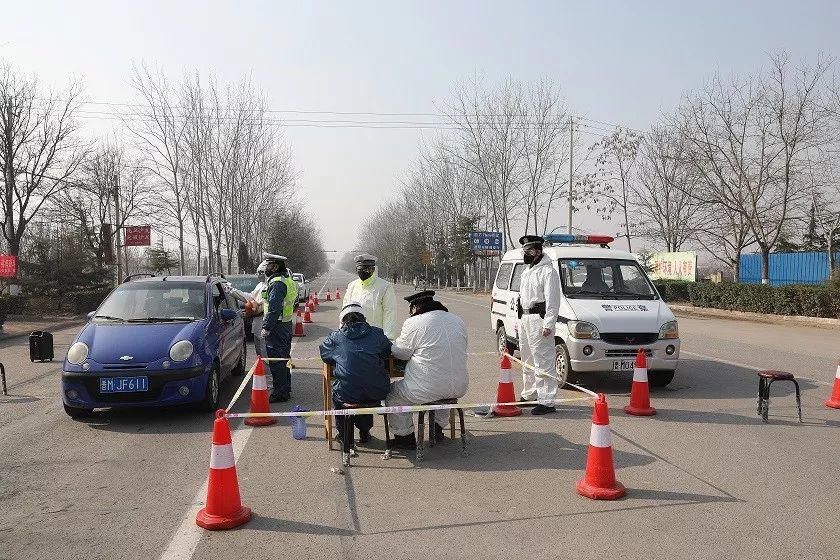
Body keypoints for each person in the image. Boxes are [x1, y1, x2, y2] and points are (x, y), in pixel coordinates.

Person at [386, 291, 468, 449]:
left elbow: (401, 353)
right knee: (443, 392)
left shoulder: (414, 323)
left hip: (428, 389)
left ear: (415, 307)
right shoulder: (457, 320)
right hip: (459, 386)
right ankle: (436, 430)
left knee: (393, 395)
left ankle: (405, 439)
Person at [319, 302, 392, 451]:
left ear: (342, 321)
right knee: (366, 388)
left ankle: (346, 435)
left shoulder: (336, 337)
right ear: (364, 318)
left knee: (343, 393)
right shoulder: (377, 333)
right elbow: (386, 351)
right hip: (377, 391)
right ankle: (365, 432)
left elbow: (325, 355)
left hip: (348, 393)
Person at [516, 235, 562, 415]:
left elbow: (553, 302)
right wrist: (519, 321)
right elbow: (522, 299)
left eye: (529, 251)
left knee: (543, 360)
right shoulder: (527, 271)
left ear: (538, 251)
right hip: (526, 318)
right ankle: (530, 394)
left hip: (539, 319)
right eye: (524, 251)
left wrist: (549, 324)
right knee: (527, 359)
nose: (526, 254)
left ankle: (547, 400)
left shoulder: (548, 271)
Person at [260, 253, 298, 402]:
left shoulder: (277, 283)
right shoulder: (287, 280)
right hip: (285, 324)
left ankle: (280, 393)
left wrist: (267, 327)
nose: (266, 269)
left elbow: (274, 308)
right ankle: (285, 388)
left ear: (275, 266)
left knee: (276, 361)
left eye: (268, 266)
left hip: (277, 326)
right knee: (284, 359)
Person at [343, 254, 399, 340]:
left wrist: (388, 338)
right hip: (354, 336)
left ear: (373, 269)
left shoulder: (384, 287)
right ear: (356, 270)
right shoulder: (352, 286)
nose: (362, 272)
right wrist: (343, 333)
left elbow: (390, 313)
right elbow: (345, 312)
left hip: (375, 337)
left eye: (366, 269)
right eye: (360, 269)